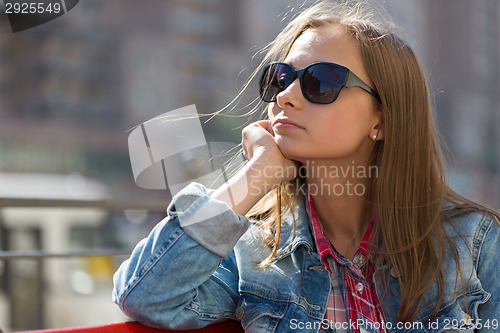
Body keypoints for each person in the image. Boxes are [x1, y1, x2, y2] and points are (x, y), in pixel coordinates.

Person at [112, 1, 500, 332]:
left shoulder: (474, 244)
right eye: (280, 79)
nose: (287, 96)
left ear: (381, 119)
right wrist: (256, 175)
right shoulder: (252, 254)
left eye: (321, 81)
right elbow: (145, 294)